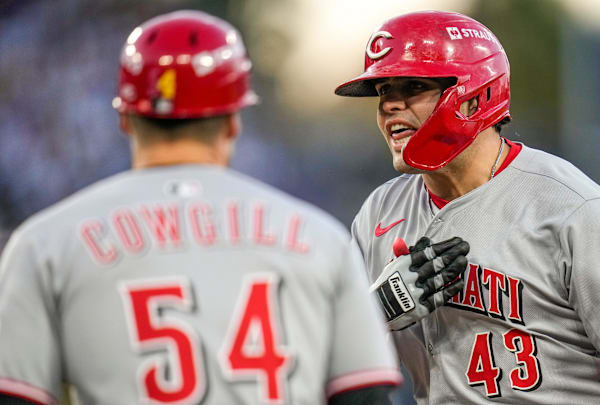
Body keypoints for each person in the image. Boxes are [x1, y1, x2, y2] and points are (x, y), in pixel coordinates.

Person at [0, 10, 402, 405]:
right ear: (234, 120)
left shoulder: (43, 243)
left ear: (125, 117)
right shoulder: (320, 237)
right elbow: (364, 395)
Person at [335, 10, 600, 404]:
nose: (389, 106)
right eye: (384, 90)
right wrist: (376, 309)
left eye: (412, 86)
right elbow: (323, 361)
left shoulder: (572, 208)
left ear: (473, 97)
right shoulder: (379, 214)